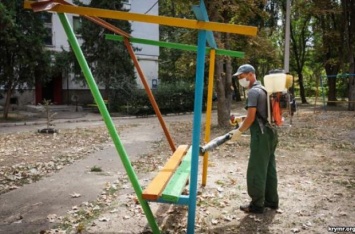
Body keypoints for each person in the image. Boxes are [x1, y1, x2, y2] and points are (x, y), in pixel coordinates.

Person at [230, 64, 279, 214]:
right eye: (239, 78)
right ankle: (271, 201)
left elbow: (252, 118)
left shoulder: (253, 92)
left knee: (256, 169)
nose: (240, 80)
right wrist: (240, 119)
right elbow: (260, 114)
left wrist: (239, 131)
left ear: (251, 74)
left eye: (242, 76)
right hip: (272, 134)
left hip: (261, 136)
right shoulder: (264, 89)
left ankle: (257, 205)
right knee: (269, 168)